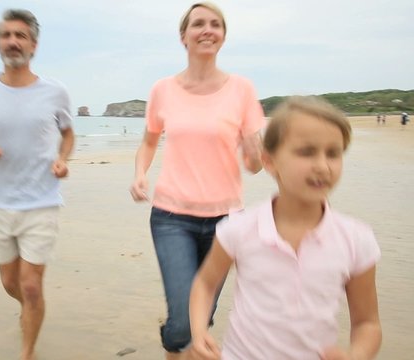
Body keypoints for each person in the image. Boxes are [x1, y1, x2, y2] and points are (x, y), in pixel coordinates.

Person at [189, 96, 382, 360]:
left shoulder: (356, 239)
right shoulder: (239, 229)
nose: (323, 166)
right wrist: (199, 332)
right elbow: (205, 283)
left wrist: (356, 356)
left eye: (333, 154)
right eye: (306, 151)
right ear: (269, 161)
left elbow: (367, 323)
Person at [129, 3, 265, 359]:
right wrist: (140, 173)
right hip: (172, 218)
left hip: (227, 222)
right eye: (198, 24)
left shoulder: (243, 90)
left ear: (222, 37)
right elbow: (148, 139)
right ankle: (174, 339)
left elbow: (255, 165)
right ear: (183, 36)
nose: (207, 30)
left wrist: (254, 150)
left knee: (202, 317)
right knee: (183, 324)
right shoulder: (163, 89)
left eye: (216, 25)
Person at [0, 9, 74, 360]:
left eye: (20, 35)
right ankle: (31, 309)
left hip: (43, 202)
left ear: (33, 45)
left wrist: (63, 159)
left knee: (30, 285)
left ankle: (28, 351)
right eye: (6, 35)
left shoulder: (55, 92)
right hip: (1, 203)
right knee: (11, 284)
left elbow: (68, 134)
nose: (12, 42)